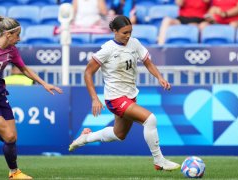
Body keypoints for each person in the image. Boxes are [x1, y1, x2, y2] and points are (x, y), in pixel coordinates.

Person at [69, 15, 180, 171]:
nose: (128, 36)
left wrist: (160, 77)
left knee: (119, 134)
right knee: (150, 120)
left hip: (130, 96)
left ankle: (86, 137)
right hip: (115, 98)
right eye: (124, 32)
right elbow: (88, 73)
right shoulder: (107, 49)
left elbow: (147, 62)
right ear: (114, 31)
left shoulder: (134, 43)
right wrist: (94, 98)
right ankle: (159, 161)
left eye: (130, 32)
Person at [0, 16, 63, 179]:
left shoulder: (12, 50)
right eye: (17, 35)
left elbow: (24, 69)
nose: (19, 38)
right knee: (8, 136)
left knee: (12, 137)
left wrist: (44, 84)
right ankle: (14, 172)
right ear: (8, 34)